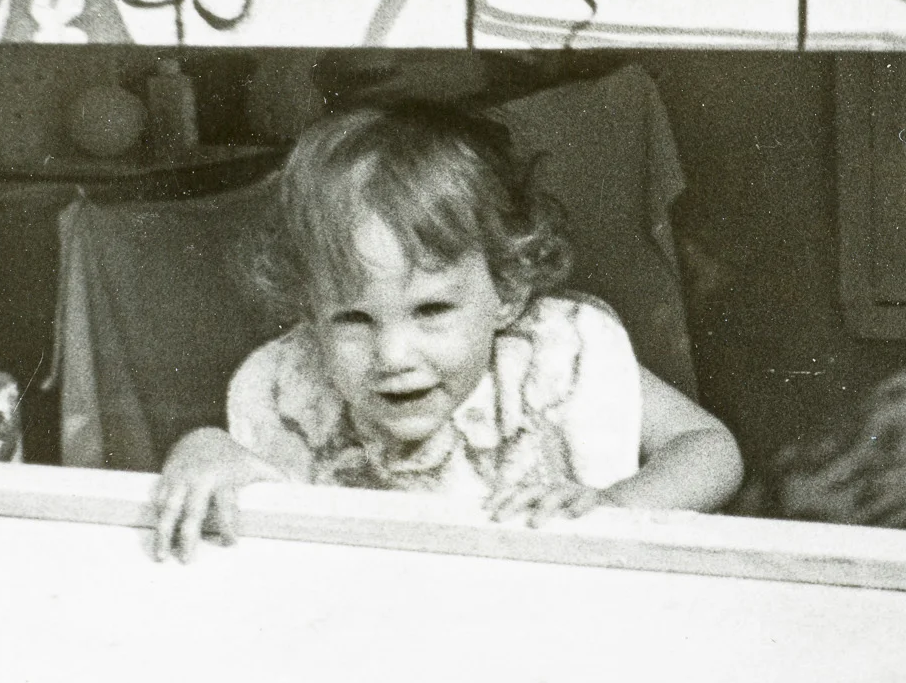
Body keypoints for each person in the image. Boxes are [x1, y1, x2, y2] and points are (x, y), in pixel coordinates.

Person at [151, 100, 741, 561]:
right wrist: (203, 448)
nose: (392, 355)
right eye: (353, 318)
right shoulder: (291, 385)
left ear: (507, 291)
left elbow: (710, 448)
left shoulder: (556, 355)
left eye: (431, 310)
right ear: (309, 312)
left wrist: (613, 506)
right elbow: (245, 480)